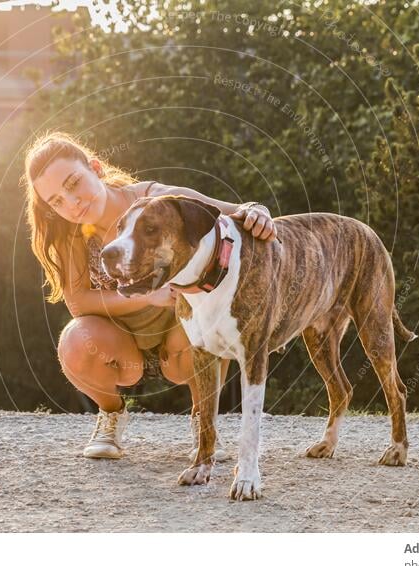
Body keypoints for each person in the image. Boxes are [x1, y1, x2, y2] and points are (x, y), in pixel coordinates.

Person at [23, 132, 277, 459]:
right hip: (122, 343)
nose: (70, 203)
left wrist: (258, 211)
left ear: (96, 168)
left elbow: (232, 213)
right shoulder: (69, 234)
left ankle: (205, 424)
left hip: (179, 338)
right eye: (56, 200)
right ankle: (111, 415)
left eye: (73, 183)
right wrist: (147, 296)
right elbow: (79, 302)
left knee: (213, 315)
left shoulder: (159, 201)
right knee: (74, 341)